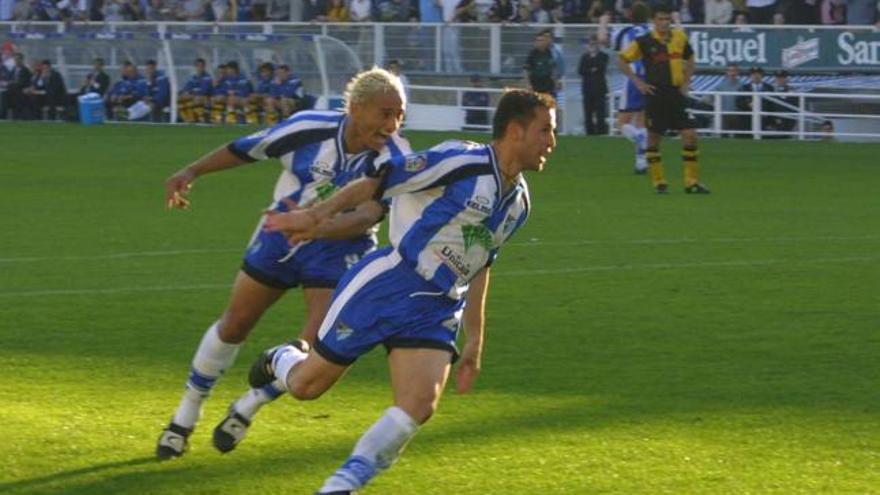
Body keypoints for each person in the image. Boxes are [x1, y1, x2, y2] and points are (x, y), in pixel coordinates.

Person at [247, 88, 556, 494]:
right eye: (545, 130)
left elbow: (482, 263)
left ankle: (341, 486)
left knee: (419, 405)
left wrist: (476, 338)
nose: (552, 141)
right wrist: (315, 215)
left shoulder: (519, 203)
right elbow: (378, 182)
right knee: (307, 386)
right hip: (390, 283)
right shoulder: (461, 161)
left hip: (438, 307)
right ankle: (283, 358)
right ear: (515, 130)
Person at [156, 67, 411, 460]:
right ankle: (184, 416)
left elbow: (367, 216)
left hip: (340, 247)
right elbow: (245, 148)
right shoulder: (309, 126)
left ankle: (250, 403)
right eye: (385, 113)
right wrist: (192, 171)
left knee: (309, 348)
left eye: (400, 115)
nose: (393, 124)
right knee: (235, 323)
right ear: (357, 108)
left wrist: (317, 229)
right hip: (279, 232)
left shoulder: (396, 157)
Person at [618, 3, 710, 194]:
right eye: (660, 19)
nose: (664, 23)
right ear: (653, 21)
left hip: (676, 93)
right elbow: (622, 59)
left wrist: (686, 83)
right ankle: (659, 182)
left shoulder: (679, 37)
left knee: (690, 135)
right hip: (655, 94)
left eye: (667, 19)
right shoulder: (644, 41)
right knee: (653, 138)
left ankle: (691, 182)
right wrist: (638, 83)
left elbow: (691, 59)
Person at [599, 2, 651, 174]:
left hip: (633, 78)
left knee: (622, 122)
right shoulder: (652, 32)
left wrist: (603, 22)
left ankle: (639, 139)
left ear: (630, 15)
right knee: (642, 120)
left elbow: (602, 40)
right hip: (651, 78)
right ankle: (641, 162)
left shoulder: (625, 32)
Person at [578, 35, 609, 135]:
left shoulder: (604, 56)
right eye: (591, 44)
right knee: (588, 113)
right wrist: (591, 69)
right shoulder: (584, 57)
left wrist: (592, 65)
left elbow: (600, 67)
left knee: (600, 113)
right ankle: (589, 133)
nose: (592, 46)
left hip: (600, 88)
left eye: (594, 44)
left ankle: (601, 133)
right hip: (587, 89)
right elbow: (581, 70)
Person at [736, 66, 773, 138]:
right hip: (747, 120)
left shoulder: (769, 88)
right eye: (753, 74)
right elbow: (738, 102)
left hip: (765, 119)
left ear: (762, 75)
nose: (756, 76)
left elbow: (773, 104)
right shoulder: (744, 88)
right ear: (750, 76)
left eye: (758, 74)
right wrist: (748, 105)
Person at [178, 58, 214, 123]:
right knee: (181, 98)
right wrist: (184, 92)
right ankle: (188, 119)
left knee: (198, 98)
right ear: (196, 67)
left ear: (204, 67)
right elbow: (187, 88)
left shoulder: (207, 77)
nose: (199, 68)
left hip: (205, 98)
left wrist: (192, 92)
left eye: (201, 66)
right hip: (194, 97)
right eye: (198, 66)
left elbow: (204, 91)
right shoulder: (193, 78)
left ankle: (200, 119)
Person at [523, 31, 557, 98]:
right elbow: (526, 70)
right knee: (537, 106)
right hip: (536, 85)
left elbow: (553, 69)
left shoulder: (549, 52)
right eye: (538, 40)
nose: (540, 42)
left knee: (551, 107)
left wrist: (556, 82)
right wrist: (528, 85)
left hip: (548, 85)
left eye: (542, 40)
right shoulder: (532, 54)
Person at [715, 63, 742, 136]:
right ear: (727, 72)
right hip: (724, 115)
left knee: (738, 136)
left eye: (734, 71)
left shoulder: (742, 86)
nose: (732, 73)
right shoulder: (720, 86)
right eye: (730, 71)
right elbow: (708, 98)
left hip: (738, 115)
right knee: (723, 136)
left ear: (737, 72)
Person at [766, 69, 796, 137]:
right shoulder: (770, 90)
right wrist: (773, 119)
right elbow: (768, 106)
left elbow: (794, 107)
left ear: (786, 78)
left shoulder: (792, 91)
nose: (780, 79)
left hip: (788, 121)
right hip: (772, 121)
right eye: (778, 77)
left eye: (782, 77)